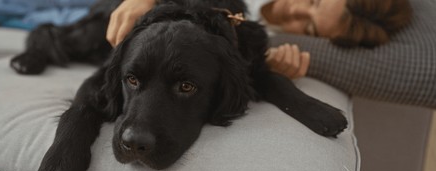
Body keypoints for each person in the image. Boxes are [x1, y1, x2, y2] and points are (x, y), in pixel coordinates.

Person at [105, 0, 412, 79]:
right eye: (315, 1)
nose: (295, 9)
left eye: (310, 28)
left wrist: (273, 70)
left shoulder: (263, 42)